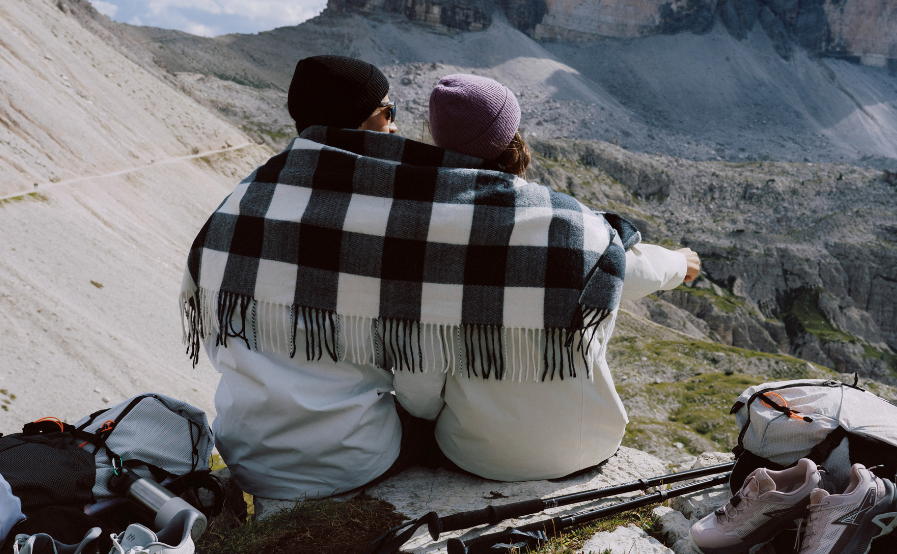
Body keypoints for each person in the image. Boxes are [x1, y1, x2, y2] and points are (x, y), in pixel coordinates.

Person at [389, 74, 699, 480]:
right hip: (591, 443)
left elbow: (419, 387)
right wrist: (679, 262)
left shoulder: (423, 232)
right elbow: (635, 269)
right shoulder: (575, 223)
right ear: (512, 135)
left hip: (476, 454)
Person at [196, 55, 402, 500]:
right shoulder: (382, 215)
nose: (394, 126)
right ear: (357, 122)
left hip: (249, 459)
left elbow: (212, 334)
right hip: (353, 461)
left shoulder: (238, 202)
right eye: (388, 111)